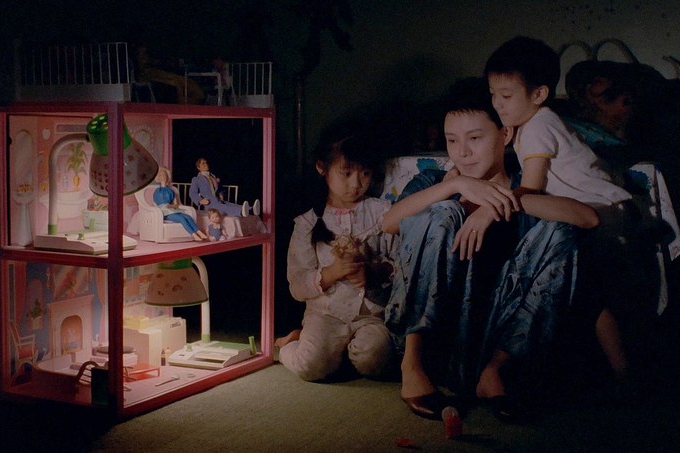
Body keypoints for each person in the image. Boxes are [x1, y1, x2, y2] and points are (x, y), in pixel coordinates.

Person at [382, 77, 599, 421]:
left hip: (500, 337)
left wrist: (499, 203)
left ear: (506, 134)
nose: (462, 152)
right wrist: (455, 185)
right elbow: (389, 222)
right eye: (452, 140)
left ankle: (495, 371)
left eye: (475, 138)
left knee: (560, 230)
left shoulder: (526, 186)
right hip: (440, 336)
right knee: (442, 213)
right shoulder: (433, 182)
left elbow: (587, 218)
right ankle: (413, 364)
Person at [484, 36, 655, 381]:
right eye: (492, 95)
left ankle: (612, 370)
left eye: (506, 96)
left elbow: (531, 187)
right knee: (594, 293)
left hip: (603, 212)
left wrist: (490, 202)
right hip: (611, 207)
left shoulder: (538, 126)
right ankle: (623, 371)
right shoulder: (538, 122)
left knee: (582, 284)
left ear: (538, 94)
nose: (497, 104)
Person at [276, 132, 397, 382]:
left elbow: (400, 262)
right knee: (311, 367)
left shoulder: (382, 213)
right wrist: (331, 273)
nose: (356, 184)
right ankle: (293, 343)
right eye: (347, 173)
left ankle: (342, 353)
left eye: (365, 174)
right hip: (325, 313)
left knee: (375, 359)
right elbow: (297, 285)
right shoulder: (309, 222)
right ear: (322, 168)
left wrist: (374, 272)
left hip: (371, 315)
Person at [190, 157, 260, 217]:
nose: (206, 164)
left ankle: (251, 210)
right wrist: (200, 200)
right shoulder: (196, 179)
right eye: (203, 163)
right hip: (209, 204)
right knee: (224, 207)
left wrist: (221, 194)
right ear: (198, 167)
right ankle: (241, 212)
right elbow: (192, 193)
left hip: (218, 200)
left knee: (230, 205)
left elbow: (219, 189)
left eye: (206, 162)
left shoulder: (213, 177)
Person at [153, 167, 208, 241]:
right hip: (164, 213)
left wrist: (172, 205)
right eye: (160, 175)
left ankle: (199, 232)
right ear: (158, 178)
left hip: (172, 210)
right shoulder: (157, 191)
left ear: (167, 176)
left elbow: (176, 204)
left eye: (164, 175)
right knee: (182, 218)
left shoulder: (171, 191)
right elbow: (158, 204)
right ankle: (194, 235)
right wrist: (166, 206)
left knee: (187, 216)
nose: (163, 177)